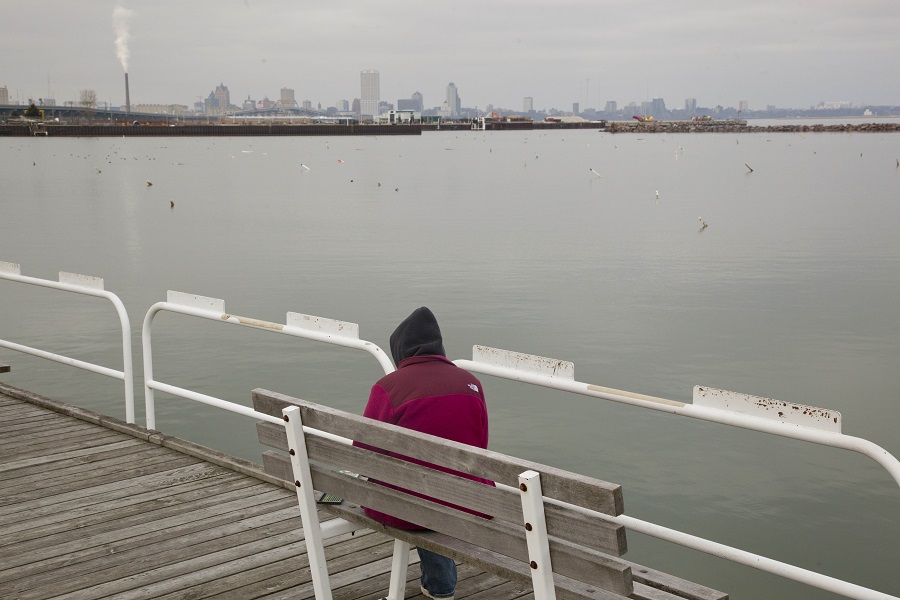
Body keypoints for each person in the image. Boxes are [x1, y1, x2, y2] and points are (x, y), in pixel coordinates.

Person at [361, 306, 490, 600]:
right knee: (434, 488)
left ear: (401, 351)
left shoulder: (389, 387)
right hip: (468, 502)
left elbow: (364, 449)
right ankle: (439, 585)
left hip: (404, 508)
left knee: (414, 491)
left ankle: (441, 585)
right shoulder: (472, 384)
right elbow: (480, 448)